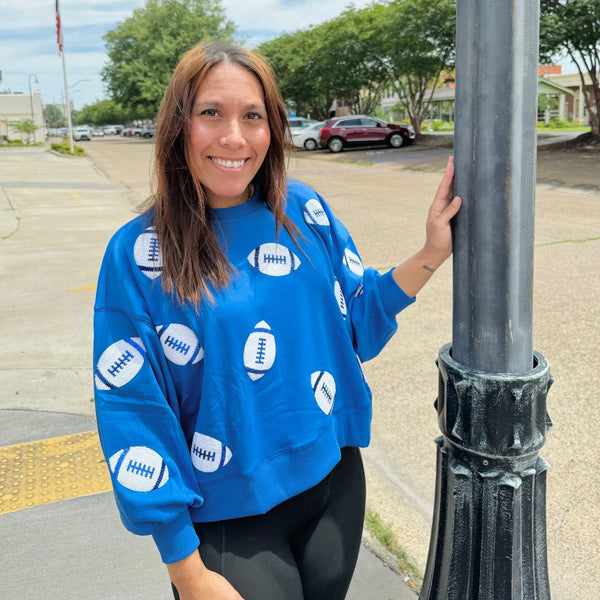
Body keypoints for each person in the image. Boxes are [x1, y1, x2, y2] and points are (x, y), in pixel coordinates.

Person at [93, 41, 461, 600]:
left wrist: (431, 251)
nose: (234, 138)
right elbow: (134, 411)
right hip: (228, 516)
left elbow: (356, 319)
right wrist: (185, 570)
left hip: (333, 481)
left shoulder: (302, 210)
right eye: (210, 113)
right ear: (178, 125)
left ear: (273, 128)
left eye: (253, 116)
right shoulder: (140, 253)